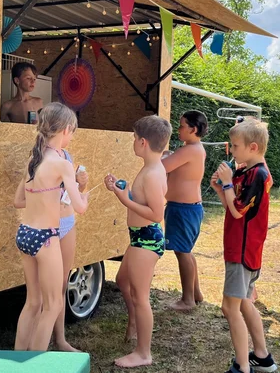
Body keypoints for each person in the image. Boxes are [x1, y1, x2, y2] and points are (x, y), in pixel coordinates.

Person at [12, 103, 88, 352]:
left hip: (25, 234)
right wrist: (83, 194)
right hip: (46, 238)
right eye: (73, 131)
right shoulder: (62, 164)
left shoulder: (33, 159)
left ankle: (16, 363)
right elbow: (80, 207)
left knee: (33, 303)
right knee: (53, 305)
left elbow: (18, 201)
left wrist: (46, 197)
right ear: (66, 130)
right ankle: (35, 365)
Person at [104, 115, 171, 368]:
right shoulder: (150, 167)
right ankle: (133, 323)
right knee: (122, 280)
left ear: (143, 142)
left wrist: (124, 199)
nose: (132, 142)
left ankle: (144, 353)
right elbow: (142, 200)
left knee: (141, 297)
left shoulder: (153, 173)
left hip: (147, 240)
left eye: (134, 138)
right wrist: (121, 189)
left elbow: (156, 213)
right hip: (138, 238)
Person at [210, 119, 277, 373]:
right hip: (241, 247)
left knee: (230, 307)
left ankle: (242, 367)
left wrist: (228, 183)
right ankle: (261, 357)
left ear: (252, 147)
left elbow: (238, 212)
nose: (231, 151)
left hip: (242, 250)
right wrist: (220, 186)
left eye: (235, 146)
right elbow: (230, 205)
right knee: (246, 302)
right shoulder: (245, 170)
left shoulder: (258, 174)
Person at [161, 110, 208, 312]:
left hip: (183, 209)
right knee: (186, 251)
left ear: (193, 129)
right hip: (187, 209)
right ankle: (195, 293)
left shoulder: (189, 150)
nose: (178, 129)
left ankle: (187, 299)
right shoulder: (192, 148)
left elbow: (161, 166)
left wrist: (161, 154)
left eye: (181, 126)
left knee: (183, 253)